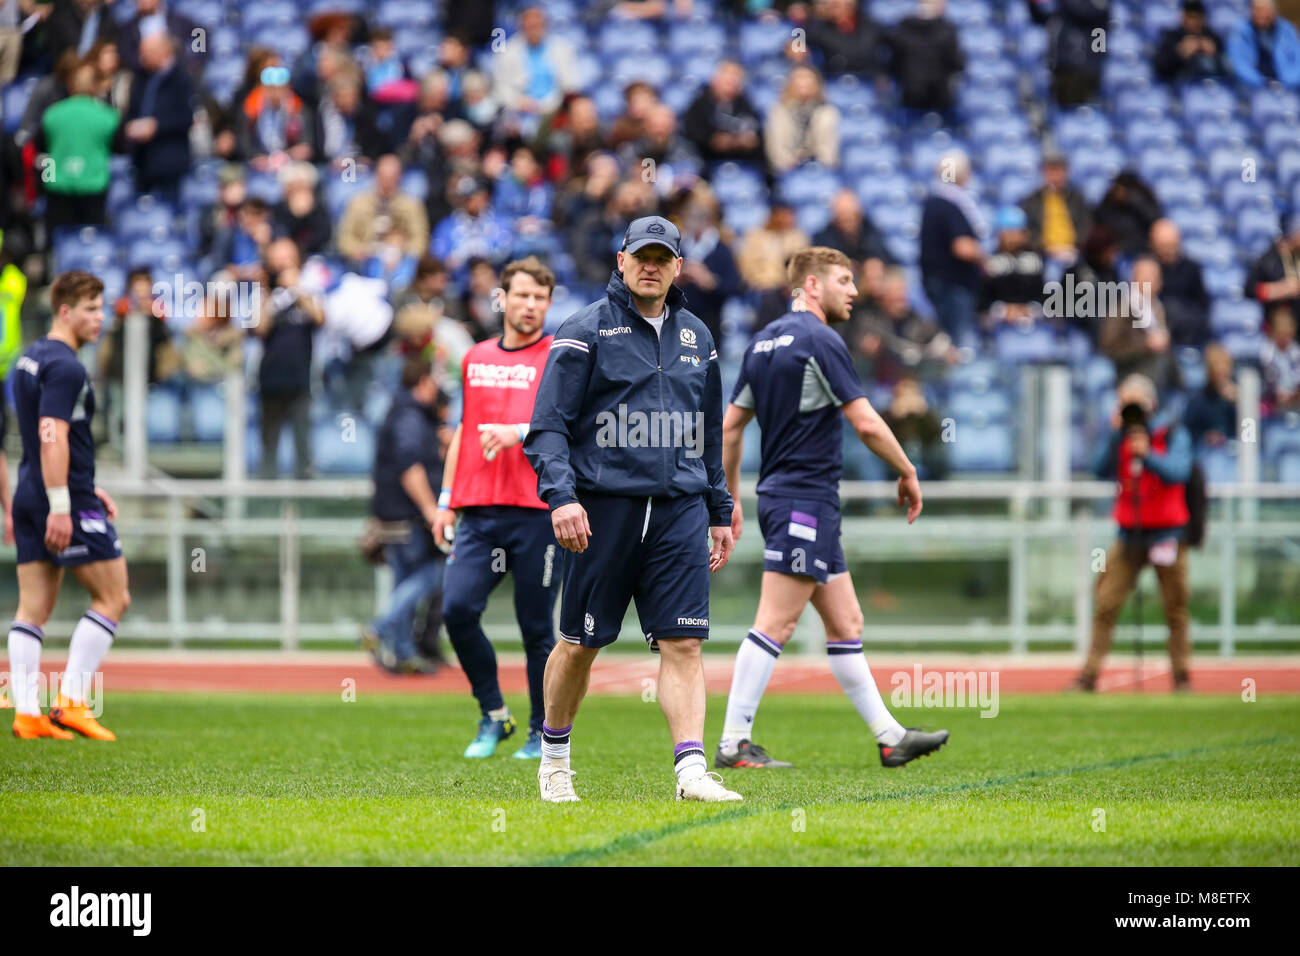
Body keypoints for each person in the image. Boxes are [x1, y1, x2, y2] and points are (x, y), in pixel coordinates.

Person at [522, 216, 739, 804]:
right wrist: (562, 498)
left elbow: (707, 432)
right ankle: (555, 757)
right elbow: (547, 430)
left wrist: (720, 506)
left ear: (677, 266)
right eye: (640, 255)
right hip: (603, 512)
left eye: (662, 257)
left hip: (679, 511)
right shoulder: (583, 330)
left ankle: (691, 770)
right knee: (580, 643)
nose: (651, 265)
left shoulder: (699, 336)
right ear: (620, 260)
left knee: (684, 643)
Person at [711, 246, 947, 770]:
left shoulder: (760, 342)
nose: (855, 291)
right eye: (844, 280)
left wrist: (728, 497)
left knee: (846, 623)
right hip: (805, 500)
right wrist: (908, 470)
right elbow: (865, 423)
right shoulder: (822, 340)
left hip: (787, 496)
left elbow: (730, 428)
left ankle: (890, 737)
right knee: (776, 621)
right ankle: (732, 743)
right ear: (812, 286)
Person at [434, 258, 558, 759]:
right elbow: (465, 430)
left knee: (536, 628)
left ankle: (540, 731)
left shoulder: (560, 356)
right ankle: (493, 714)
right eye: (523, 295)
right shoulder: (475, 358)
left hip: (537, 510)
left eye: (541, 299)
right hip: (478, 510)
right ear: (502, 298)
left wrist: (520, 434)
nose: (531, 306)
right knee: (457, 610)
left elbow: (575, 427)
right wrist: (446, 499)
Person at [8, 270, 126, 740]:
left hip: (30, 490)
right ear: (64, 311)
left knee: (32, 608)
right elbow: (52, 434)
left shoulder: (28, 358)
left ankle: (26, 713)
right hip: (61, 499)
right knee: (114, 596)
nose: (100, 318)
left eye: (101, 308)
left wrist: (79, 485)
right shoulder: (69, 366)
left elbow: (48, 440)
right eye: (91, 310)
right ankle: (72, 701)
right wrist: (65, 501)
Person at [1077, 373, 1193, 692]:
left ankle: (1182, 677)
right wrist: (1114, 436)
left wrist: (1148, 453)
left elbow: (1179, 471)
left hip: (1167, 533)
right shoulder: (1120, 437)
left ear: (1151, 404)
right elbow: (1099, 468)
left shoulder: (1172, 433)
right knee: (1106, 601)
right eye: (1124, 403)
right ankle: (1088, 675)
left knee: (1176, 607)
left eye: (1135, 404)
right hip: (1129, 534)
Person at [364, 356, 448, 674]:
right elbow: (409, 466)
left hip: (393, 515)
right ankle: (380, 628)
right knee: (431, 575)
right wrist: (430, 509)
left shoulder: (404, 413)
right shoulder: (410, 417)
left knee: (403, 581)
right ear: (424, 382)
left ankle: (402, 653)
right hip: (406, 516)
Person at [253, 239, 325, 479]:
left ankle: (305, 499)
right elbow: (260, 328)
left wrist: (297, 288)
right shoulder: (266, 292)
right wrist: (265, 290)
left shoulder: (309, 287)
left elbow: (319, 318)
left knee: (302, 444)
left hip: (301, 380)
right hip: (270, 379)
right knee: (269, 446)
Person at [37, 58, 121, 231]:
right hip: (93, 186)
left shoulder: (52, 114)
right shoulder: (107, 116)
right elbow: (120, 147)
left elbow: (41, 147)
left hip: (57, 185)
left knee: (58, 242)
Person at [920, 150, 985, 348]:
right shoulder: (950, 204)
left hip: (939, 281)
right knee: (958, 341)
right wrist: (984, 258)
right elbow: (962, 247)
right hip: (953, 285)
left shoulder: (934, 202)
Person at [124, 31, 195, 201]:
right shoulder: (141, 78)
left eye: (146, 53)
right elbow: (132, 110)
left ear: (162, 52)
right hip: (143, 161)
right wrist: (130, 126)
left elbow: (186, 117)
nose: (141, 58)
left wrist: (156, 126)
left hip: (170, 163)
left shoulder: (182, 78)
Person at [886, 0, 964, 116]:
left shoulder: (903, 28)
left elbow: (894, 63)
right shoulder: (946, 30)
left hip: (911, 93)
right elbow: (956, 63)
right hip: (938, 96)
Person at [1019, 152, 1091, 275]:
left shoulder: (1077, 198)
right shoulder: (1032, 201)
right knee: (1052, 274)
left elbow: (1087, 226)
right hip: (1045, 255)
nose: (1055, 176)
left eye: (1059, 171)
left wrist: (1074, 247)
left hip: (1075, 252)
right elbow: (1027, 232)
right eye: (1051, 171)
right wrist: (1048, 249)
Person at [681, 60, 763, 166]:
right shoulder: (700, 104)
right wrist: (712, 139)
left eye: (736, 78)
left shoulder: (747, 104)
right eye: (728, 77)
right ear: (715, 80)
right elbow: (693, 131)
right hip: (707, 162)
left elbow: (756, 133)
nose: (732, 81)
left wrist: (745, 140)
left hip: (743, 162)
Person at [764, 65, 840, 173]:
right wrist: (791, 162)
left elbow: (829, 151)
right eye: (799, 78)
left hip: (820, 171)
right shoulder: (778, 112)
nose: (803, 83)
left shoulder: (827, 112)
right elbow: (776, 149)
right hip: (786, 171)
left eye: (808, 78)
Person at [1149, 219, 1209, 348]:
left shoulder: (1192, 269)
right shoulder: (1149, 269)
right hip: (1156, 333)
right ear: (1154, 245)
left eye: (1172, 246)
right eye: (1164, 247)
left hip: (1187, 335)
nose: (1169, 251)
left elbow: (1202, 306)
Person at [1226, 0, 1300, 90]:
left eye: (1262, 9)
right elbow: (1238, 63)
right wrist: (1261, 83)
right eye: (1254, 9)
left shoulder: (1287, 29)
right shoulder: (1240, 30)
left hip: (1287, 87)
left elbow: (1297, 60)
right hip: (1253, 89)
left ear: (1273, 11)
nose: (1258, 13)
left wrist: (1286, 83)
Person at [1155, 0, 1227, 83]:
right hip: (1180, 86)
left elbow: (1225, 64)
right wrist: (1179, 53)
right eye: (1191, 16)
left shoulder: (1211, 36)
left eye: (1198, 16)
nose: (1195, 21)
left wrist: (1214, 53)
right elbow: (1160, 67)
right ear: (1183, 17)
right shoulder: (1173, 36)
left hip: (1210, 84)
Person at [1184, 342, 1237, 450]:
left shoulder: (1241, 396)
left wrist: (1237, 404)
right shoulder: (1199, 398)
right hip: (1208, 450)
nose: (1222, 372)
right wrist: (1205, 437)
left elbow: (1251, 433)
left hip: (1235, 448)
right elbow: (1188, 429)